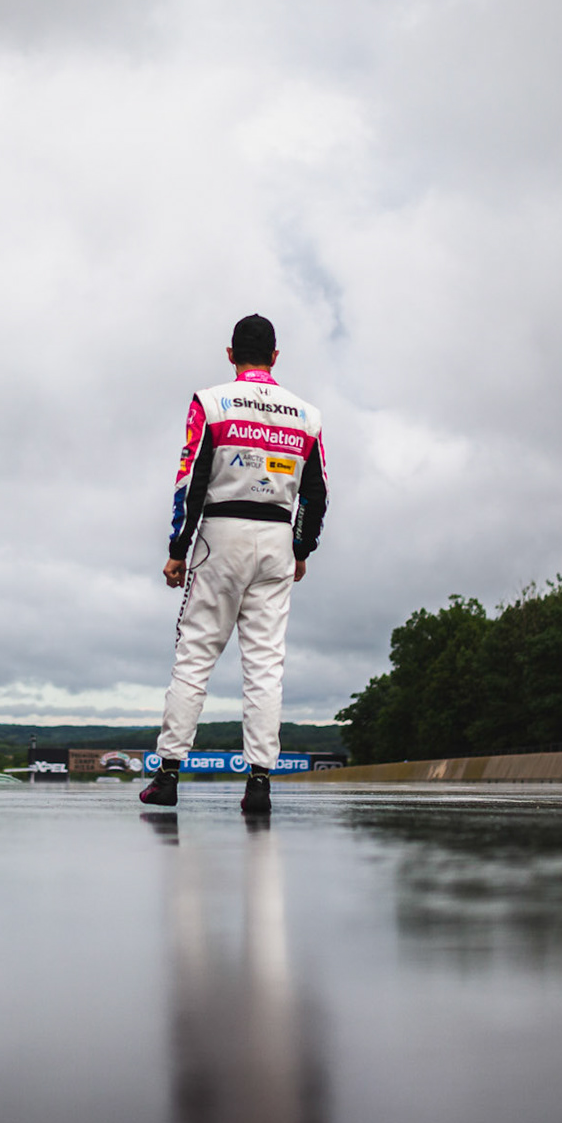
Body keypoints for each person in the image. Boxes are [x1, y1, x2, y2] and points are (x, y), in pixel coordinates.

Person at [142, 315, 327, 814]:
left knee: (196, 655)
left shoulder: (212, 401)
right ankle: (260, 783)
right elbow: (316, 490)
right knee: (266, 664)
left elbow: (192, 479)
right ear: (276, 355)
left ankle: (168, 776)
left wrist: (178, 549)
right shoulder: (307, 416)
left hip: (221, 534)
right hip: (276, 538)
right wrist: (302, 548)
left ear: (230, 354)